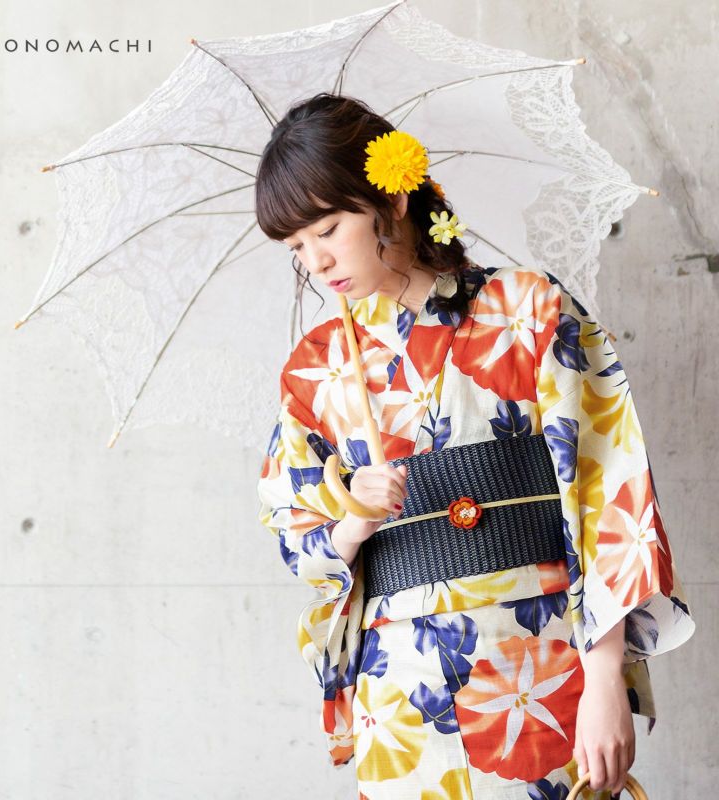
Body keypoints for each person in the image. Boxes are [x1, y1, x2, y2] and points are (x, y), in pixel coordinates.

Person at [254, 92, 695, 800]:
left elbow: (607, 490)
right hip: (399, 685)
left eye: (327, 229)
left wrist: (605, 677)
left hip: (537, 660)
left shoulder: (530, 309)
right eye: (296, 248)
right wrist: (353, 521)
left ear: (392, 200)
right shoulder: (318, 365)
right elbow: (294, 534)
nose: (316, 261)